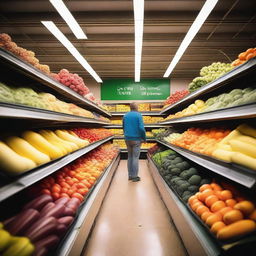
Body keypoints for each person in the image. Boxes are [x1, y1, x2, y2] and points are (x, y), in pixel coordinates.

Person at [122, 102, 146, 182]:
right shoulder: (139, 115)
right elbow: (141, 128)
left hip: (127, 138)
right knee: (135, 157)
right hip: (136, 139)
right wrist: (144, 138)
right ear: (136, 107)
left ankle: (130, 175)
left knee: (130, 157)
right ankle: (135, 176)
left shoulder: (125, 116)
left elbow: (123, 127)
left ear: (130, 108)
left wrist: (126, 135)